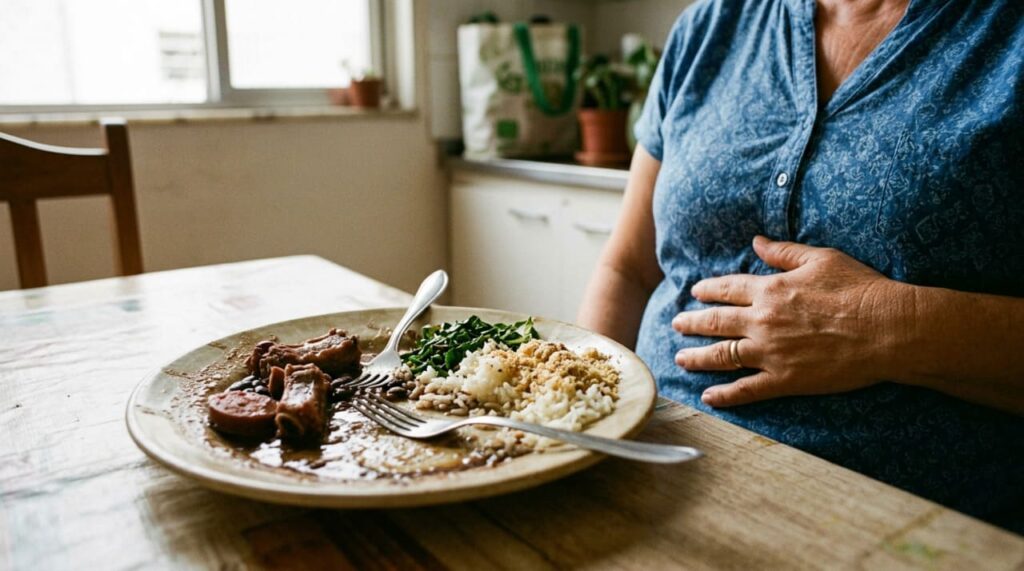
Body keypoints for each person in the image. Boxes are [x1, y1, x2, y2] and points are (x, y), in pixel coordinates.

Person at [577, 0, 1024, 532]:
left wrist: (883, 327)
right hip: (644, 471)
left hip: (896, 523)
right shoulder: (709, 27)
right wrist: (579, 429)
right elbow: (628, 268)